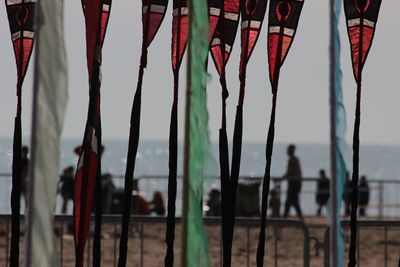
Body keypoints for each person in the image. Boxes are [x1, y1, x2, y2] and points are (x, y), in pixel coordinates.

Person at [283, 144, 303, 220]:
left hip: (293, 183)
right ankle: (285, 217)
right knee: (293, 202)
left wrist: (281, 178)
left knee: (291, 201)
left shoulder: (292, 160)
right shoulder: (295, 159)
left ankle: (284, 218)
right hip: (295, 183)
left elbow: (289, 171)